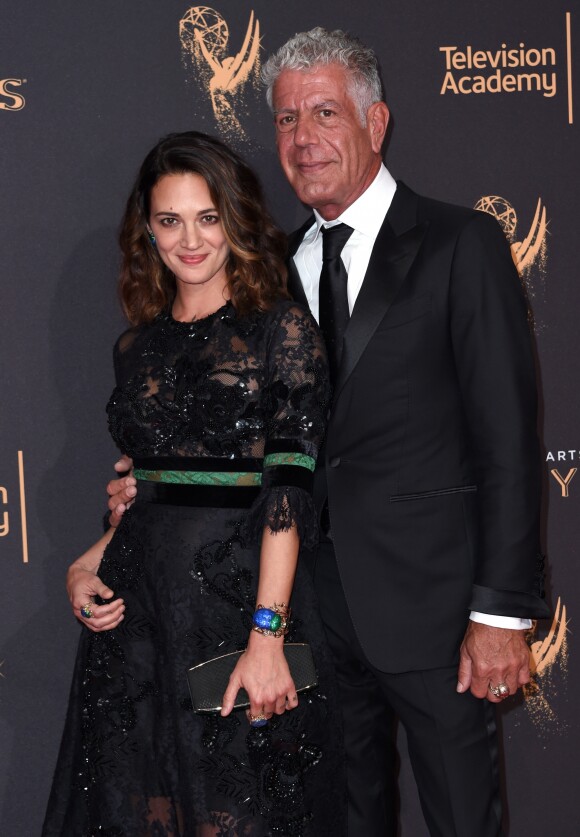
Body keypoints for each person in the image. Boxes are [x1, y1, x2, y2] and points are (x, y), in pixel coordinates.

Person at [107, 28, 551, 837]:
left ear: (376, 122)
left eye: (324, 113)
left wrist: (502, 612)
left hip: (437, 610)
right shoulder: (264, 268)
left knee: (463, 818)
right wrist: (152, 483)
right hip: (305, 609)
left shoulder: (460, 244)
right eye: (284, 119)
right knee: (340, 820)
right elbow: (254, 431)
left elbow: (510, 441)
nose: (303, 138)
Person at [43, 131, 345, 837]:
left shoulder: (282, 330)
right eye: (170, 219)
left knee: (239, 811)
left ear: (234, 219)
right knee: (139, 809)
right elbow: (151, 488)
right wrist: (88, 563)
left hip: (235, 606)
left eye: (207, 217)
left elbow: (287, 494)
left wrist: (266, 635)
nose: (190, 239)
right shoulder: (136, 346)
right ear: (147, 228)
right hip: (140, 618)